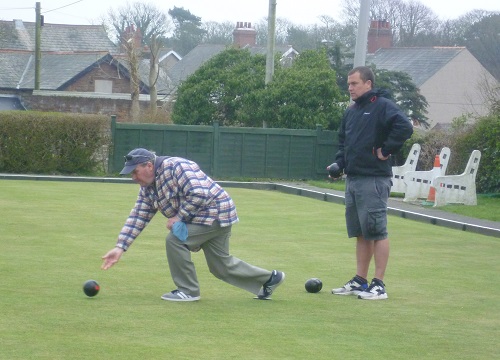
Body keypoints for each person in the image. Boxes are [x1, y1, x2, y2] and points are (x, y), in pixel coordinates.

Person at [101, 148, 285, 302]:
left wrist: (179, 217)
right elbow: (138, 216)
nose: (133, 177)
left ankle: (188, 291)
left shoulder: (175, 166)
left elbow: (199, 193)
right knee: (221, 266)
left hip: (215, 213)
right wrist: (120, 247)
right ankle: (270, 278)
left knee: (174, 240)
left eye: (135, 172)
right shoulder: (147, 188)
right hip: (206, 217)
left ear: (149, 165)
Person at [328, 66, 413, 300]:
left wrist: (386, 150)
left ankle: (379, 285)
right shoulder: (352, 111)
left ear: (368, 84)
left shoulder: (383, 105)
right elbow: (344, 142)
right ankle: (360, 280)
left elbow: (405, 126)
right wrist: (339, 165)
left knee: (377, 231)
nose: (350, 88)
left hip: (374, 179)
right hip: (353, 178)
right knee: (361, 233)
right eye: (348, 84)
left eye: (354, 84)